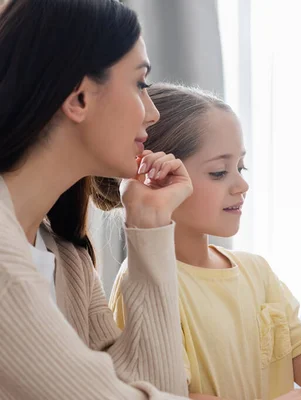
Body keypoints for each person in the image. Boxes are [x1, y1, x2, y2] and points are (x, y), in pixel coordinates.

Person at [109, 83, 301, 400]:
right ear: (157, 175)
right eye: (219, 172)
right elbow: (170, 395)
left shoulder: (256, 271)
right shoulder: (143, 285)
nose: (241, 184)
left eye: (240, 166)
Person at [0, 0, 197, 398]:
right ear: (79, 98)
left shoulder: (67, 261)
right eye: (140, 84)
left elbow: (155, 385)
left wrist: (149, 223)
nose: (153, 112)